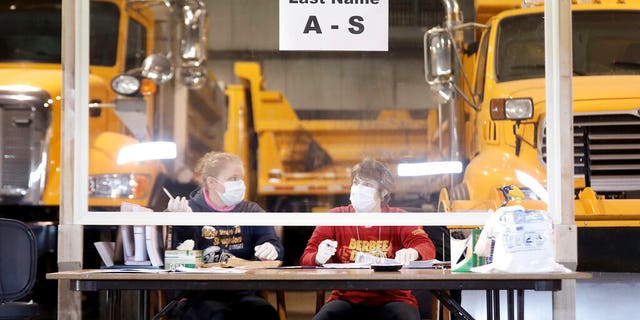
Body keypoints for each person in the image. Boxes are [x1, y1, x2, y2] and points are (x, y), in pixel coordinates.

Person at [301, 158, 436, 320]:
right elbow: (306, 258)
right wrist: (317, 256)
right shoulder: (336, 217)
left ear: (383, 192)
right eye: (356, 183)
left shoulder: (399, 218)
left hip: (393, 299)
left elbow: (426, 246)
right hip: (346, 299)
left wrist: (414, 252)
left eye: (368, 185)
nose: (359, 189)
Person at [167, 151, 283, 320]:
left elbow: (271, 242)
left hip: (241, 291)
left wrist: (271, 248)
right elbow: (178, 261)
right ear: (212, 182)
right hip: (198, 294)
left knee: (265, 314)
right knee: (220, 315)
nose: (240, 184)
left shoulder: (251, 210)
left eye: (241, 178)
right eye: (233, 179)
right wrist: (182, 224)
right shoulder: (189, 210)